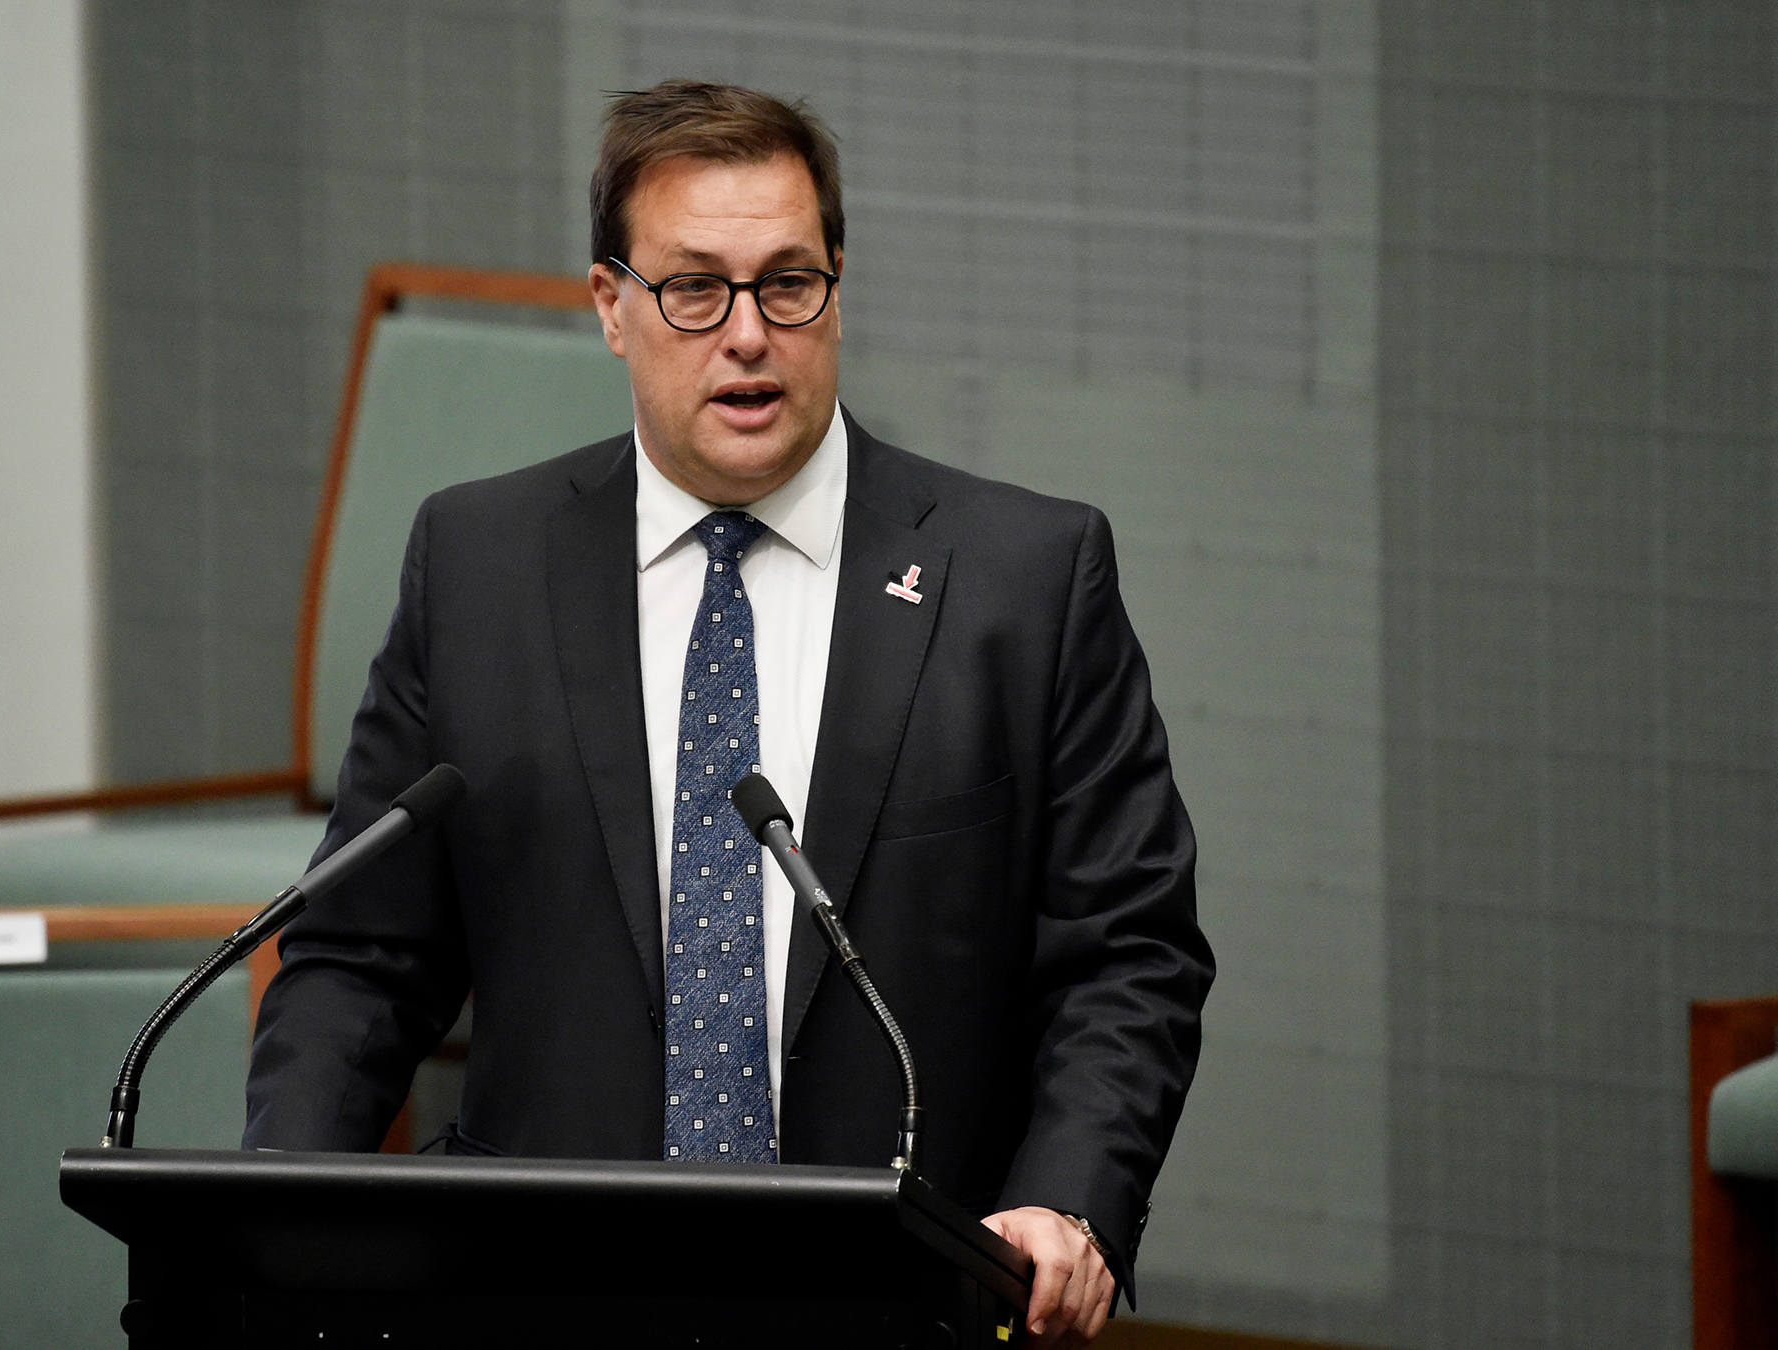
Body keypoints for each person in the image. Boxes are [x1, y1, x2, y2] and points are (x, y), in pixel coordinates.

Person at [245, 80, 1213, 1347]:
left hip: (904, 1300)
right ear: (611, 307)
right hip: (539, 1299)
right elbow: (362, 957)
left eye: (787, 285)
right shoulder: (478, 564)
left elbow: (1127, 951)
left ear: (837, 291)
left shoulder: (1022, 579)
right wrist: (276, 1226)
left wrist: (1065, 1205)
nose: (747, 334)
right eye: (694, 290)